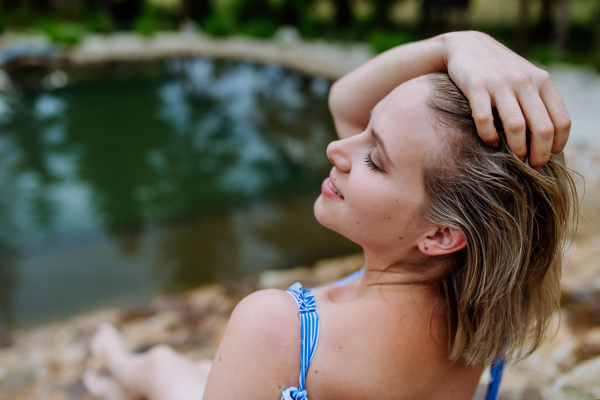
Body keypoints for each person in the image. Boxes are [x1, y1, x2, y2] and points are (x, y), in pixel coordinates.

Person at [83, 31, 577, 400]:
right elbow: (346, 99)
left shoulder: (282, 330)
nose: (337, 145)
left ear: (442, 234)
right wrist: (459, 45)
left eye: (375, 158)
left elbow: (344, 100)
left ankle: (117, 366)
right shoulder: (486, 302)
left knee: (165, 367)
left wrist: (454, 44)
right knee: (189, 369)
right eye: (366, 129)